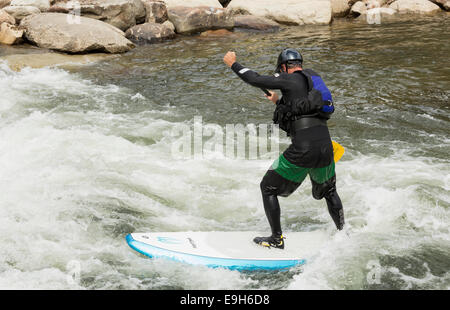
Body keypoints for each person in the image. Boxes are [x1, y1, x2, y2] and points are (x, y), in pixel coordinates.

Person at [223, 48, 345, 249]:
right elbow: (301, 110)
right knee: (330, 191)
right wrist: (278, 101)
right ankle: (343, 234)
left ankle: (276, 239)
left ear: (283, 67)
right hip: (325, 147)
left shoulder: (289, 79)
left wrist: (233, 64)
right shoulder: (312, 79)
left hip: (302, 149)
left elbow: (254, 79)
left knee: (267, 188)